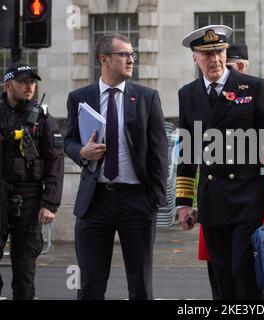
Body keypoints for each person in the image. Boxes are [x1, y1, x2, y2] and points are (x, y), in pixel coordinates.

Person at [176, 25, 264, 300]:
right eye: (206, 54)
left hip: (247, 198)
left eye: (219, 52)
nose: (214, 59)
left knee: (245, 273)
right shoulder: (188, 94)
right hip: (213, 201)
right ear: (195, 58)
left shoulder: (251, 86)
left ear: (226, 53)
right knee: (221, 277)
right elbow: (187, 152)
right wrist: (184, 203)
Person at [64, 34, 168, 300]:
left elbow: (159, 153)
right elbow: (69, 142)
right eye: (124, 54)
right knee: (90, 285)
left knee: (141, 285)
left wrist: (153, 200)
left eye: (132, 54)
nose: (131, 59)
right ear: (104, 59)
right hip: (95, 201)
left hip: (136, 201)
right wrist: (82, 153)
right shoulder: (80, 97)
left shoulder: (146, 97)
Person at [0, 63, 64, 299]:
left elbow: (55, 160)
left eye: (32, 82)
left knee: (24, 272)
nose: (30, 87)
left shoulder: (41, 117)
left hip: (28, 201)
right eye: (24, 82)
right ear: (8, 85)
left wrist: (50, 203)